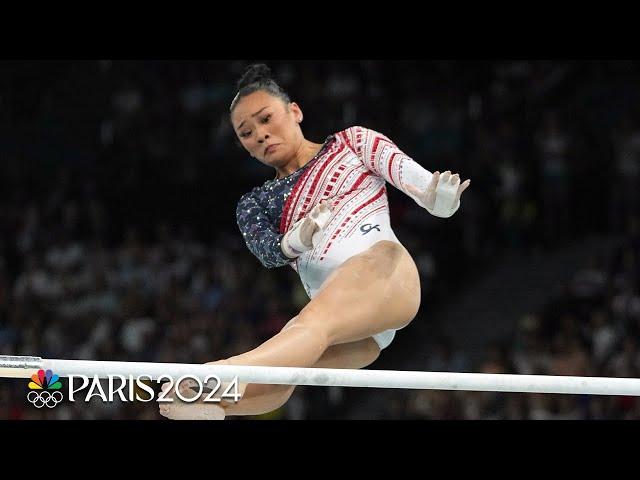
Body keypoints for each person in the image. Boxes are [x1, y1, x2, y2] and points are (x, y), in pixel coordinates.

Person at [159, 64, 470, 420]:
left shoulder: (353, 143)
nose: (259, 134)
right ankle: (208, 406)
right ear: (243, 146)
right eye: (246, 132)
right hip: (358, 333)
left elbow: (422, 186)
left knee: (309, 327)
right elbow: (268, 253)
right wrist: (296, 239)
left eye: (265, 119)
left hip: (385, 273)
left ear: (294, 112)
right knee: (286, 373)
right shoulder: (255, 203)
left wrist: (442, 202)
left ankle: (211, 374)